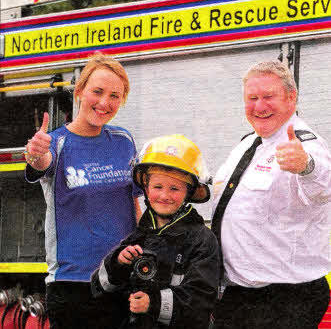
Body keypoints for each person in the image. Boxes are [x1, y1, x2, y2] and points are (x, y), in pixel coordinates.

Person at [24, 53, 142, 329]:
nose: (104, 103)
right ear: (79, 91)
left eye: (115, 96)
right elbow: (41, 163)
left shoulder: (124, 141)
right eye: (97, 92)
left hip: (121, 280)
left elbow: (135, 205)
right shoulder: (56, 142)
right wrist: (36, 153)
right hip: (73, 286)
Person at [211, 60, 331, 329]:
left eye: (268, 97)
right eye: (252, 98)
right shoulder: (248, 143)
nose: (259, 106)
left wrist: (307, 166)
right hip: (239, 294)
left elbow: (324, 187)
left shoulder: (304, 142)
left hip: (285, 297)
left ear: (291, 97)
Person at [91, 134, 220, 329]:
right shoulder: (138, 238)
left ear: (188, 193)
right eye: (157, 186)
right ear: (145, 188)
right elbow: (99, 289)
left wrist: (153, 303)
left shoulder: (201, 240)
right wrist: (118, 263)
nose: (164, 195)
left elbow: (200, 301)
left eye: (175, 188)